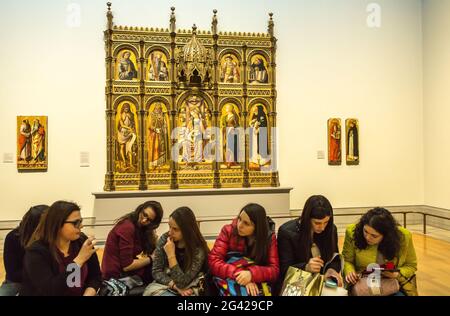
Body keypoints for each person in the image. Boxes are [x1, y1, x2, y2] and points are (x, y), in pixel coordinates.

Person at [20, 201, 101, 296]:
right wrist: (79, 261)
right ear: (57, 224)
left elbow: (96, 277)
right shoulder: (36, 252)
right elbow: (51, 290)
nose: (81, 226)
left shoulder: (81, 242)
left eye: (81, 221)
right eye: (76, 223)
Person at [342, 207, 418, 296]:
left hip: (391, 284)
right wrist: (350, 271)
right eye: (365, 231)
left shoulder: (403, 237)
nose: (367, 237)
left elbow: (411, 265)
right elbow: (347, 260)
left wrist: (397, 274)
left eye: (374, 236)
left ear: (386, 236)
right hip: (363, 284)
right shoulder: (352, 232)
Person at [208, 203, 279, 296]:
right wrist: (239, 275)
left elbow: (274, 270)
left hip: (257, 281)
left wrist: (251, 274)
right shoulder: (228, 231)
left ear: (257, 227)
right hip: (229, 276)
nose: (240, 225)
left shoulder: (268, 238)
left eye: (246, 223)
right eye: (239, 219)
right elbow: (214, 261)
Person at [277, 195, 343, 294]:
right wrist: (306, 267)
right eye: (317, 223)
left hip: (322, 281)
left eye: (326, 222)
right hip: (296, 283)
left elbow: (334, 258)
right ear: (307, 219)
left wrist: (331, 271)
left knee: (338, 293)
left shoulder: (331, 229)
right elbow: (284, 269)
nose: (322, 228)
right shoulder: (287, 232)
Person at [144, 207, 209, 296]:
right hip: (166, 284)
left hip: (191, 286)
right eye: (169, 226)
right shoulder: (164, 239)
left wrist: (171, 255)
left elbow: (182, 283)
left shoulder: (198, 248)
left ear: (187, 230)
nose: (170, 232)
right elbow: (156, 271)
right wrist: (174, 286)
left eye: (175, 229)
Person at [102, 201, 164, 284]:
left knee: (160, 269)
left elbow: (152, 248)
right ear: (140, 209)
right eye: (144, 214)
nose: (144, 220)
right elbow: (127, 266)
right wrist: (151, 258)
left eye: (149, 220)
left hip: (123, 271)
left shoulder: (140, 227)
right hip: (116, 275)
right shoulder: (127, 227)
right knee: (158, 273)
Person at [0, 205, 48, 296]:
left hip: (45, 281)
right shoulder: (13, 237)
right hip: (18, 282)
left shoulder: (54, 238)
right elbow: (13, 273)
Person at [117, 103, 137, 170]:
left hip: (129, 133)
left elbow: (133, 123)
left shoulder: (132, 114)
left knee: (129, 148)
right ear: (123, 108)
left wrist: (134, 130)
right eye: (125, 108)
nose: (126, 109)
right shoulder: (121, 115)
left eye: (127, 108)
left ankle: (131, 163)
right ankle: (124, 162)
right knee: (122, 147)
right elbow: (122, 125)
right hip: (122, 133)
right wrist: (129, 128)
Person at [148, 103, 168, 168]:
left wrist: (164, 127)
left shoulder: (162, 115)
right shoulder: (152, 115)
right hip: (154, 134)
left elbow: (165, 124)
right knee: (155, 147)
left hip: (161, 133)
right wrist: (155, 129)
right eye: (157, 108)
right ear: (155, 108)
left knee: (162, 147)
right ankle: (154, 163)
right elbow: (149, 126)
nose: (158, 110)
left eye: (160, 109)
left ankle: (161, 162)